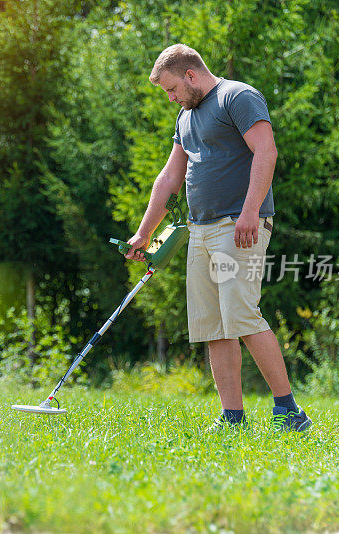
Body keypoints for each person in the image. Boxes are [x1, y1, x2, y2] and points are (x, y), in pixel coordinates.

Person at [126, 44, 311, 432]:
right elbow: (170, 178)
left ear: (191, 75)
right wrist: (144, 233)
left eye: (172, 89)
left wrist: (249, 211)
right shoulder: (185, 117)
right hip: (200, 230)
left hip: (238, 226)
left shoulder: (237, 97)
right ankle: (232, 418)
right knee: (213, 324)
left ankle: (290, 412)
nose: (171, 97)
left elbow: (266, 151)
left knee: (242, 315)